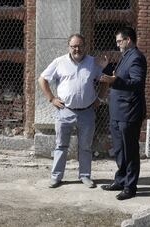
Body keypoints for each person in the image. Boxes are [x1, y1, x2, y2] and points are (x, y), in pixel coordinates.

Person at [38, 34, 108, 188]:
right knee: (61, 145)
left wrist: (100, 99)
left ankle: (85, 176)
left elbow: (105, 80)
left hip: (87, 111)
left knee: (85, 146)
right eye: (73, 46)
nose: (77, 49)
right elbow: (42, 79)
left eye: (80, 46)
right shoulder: (59, 62)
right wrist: (51, 98)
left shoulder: (92, 62)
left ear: (85, 46)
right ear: (68, 47)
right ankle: (56, 177)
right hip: (65, 111)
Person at [99, 26, 147, 200]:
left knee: (130, 151)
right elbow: (117, 76)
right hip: (117, 112)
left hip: (129, 112)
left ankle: (130, 187)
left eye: (120, 41)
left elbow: (136, 83)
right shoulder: (125, 57)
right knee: (119, 149)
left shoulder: (136, 58)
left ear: (128, 40)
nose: (118, 44)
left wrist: (115, 80)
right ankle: (120, 180)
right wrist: (106, 69)